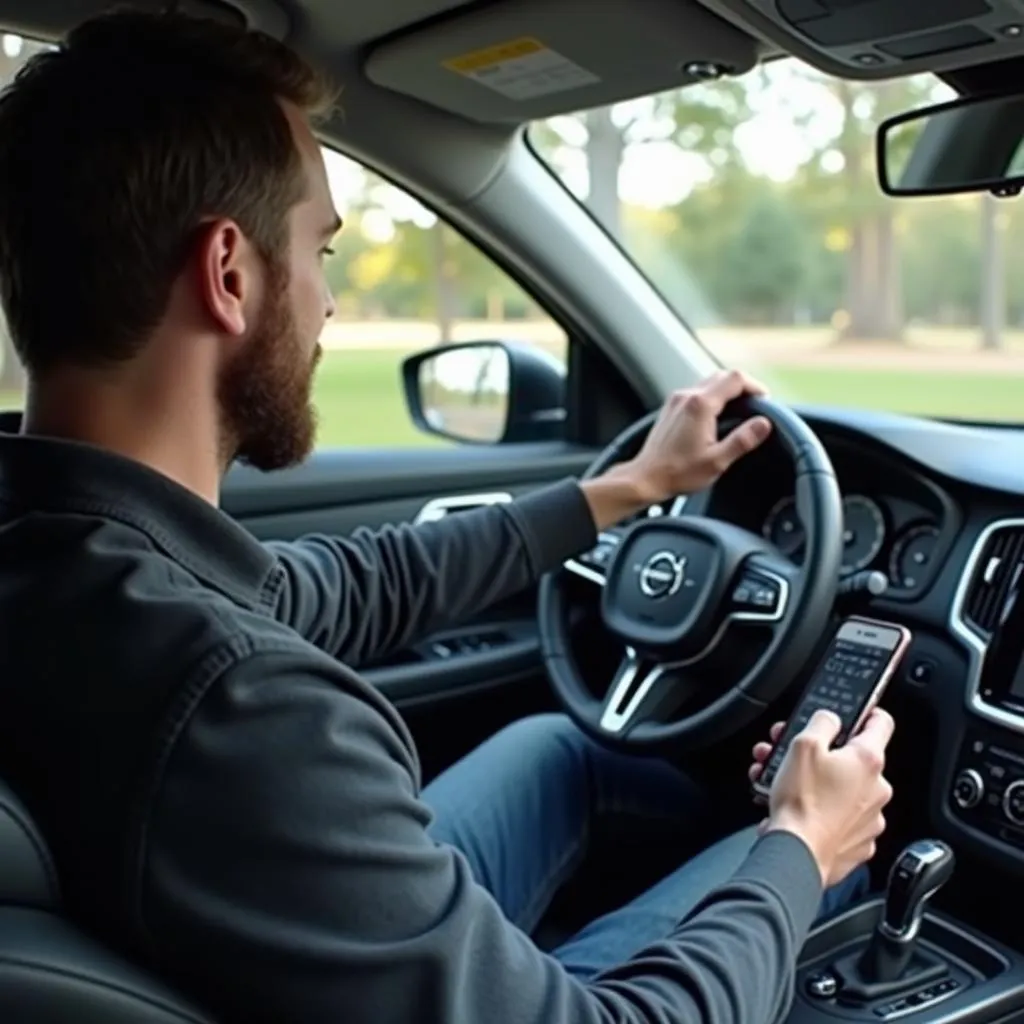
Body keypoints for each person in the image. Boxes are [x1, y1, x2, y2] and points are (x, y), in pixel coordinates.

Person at [0, 10, 894, 1024]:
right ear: (229, 274)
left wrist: (623, 491)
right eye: (321, 251)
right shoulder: (240, 708)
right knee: (794, 856)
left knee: (559, 750)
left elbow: (356, 583)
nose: (329, 303)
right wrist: (800, 847)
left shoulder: (71, 557)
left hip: (256, 926)